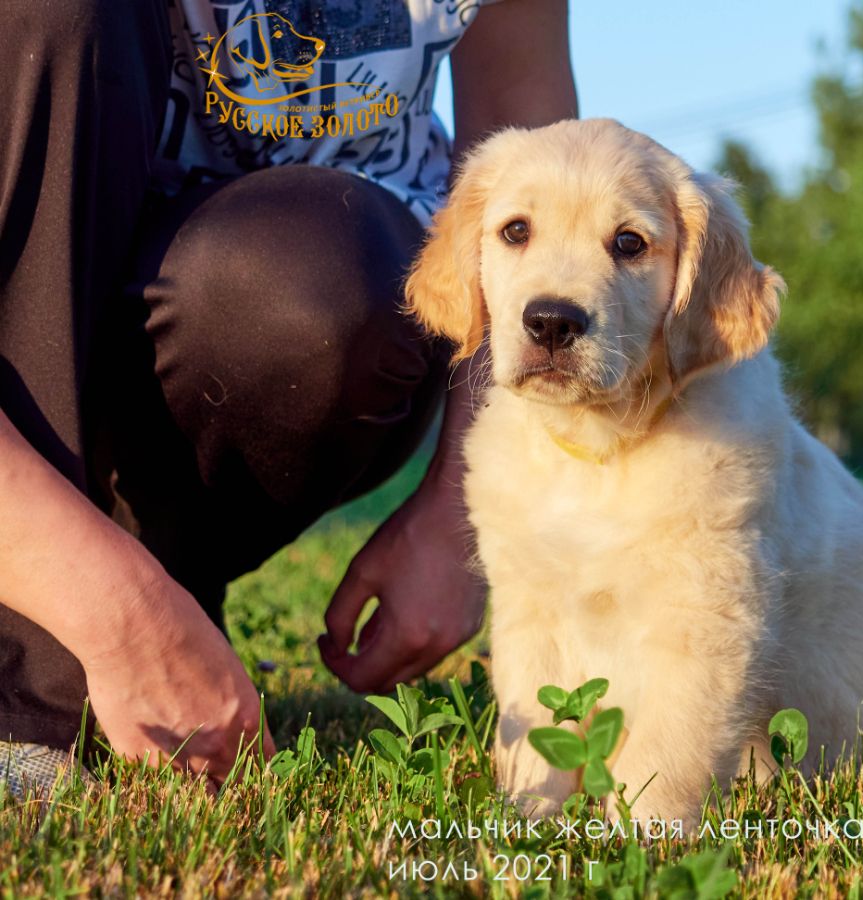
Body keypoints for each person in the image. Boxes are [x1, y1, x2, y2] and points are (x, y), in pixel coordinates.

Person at [0, 0, 577, 797]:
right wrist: (119, 616)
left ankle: (174, 595)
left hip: (285, 293)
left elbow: (527, 142)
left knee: (313, 294)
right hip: (34, 322)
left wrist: (462, 515)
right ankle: (27, 698)